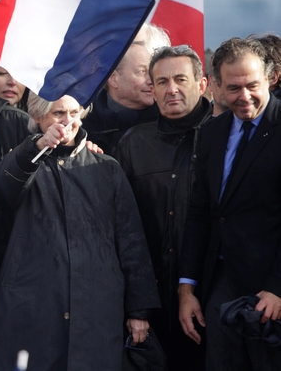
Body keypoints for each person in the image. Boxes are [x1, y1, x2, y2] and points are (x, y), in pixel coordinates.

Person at [0, 92, 159, 370]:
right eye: (58, 113)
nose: (68, 121)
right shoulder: (24, 162)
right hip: (34, 307)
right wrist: (36, 147)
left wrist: (139, 309)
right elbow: (6, 184)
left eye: (74, 113)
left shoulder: (107, 167)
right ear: (38, 119)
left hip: (97, 306)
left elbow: (131, 240)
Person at [178, 37, 281, 370]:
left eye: (252, 85)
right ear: (218, 87)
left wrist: (277, 288)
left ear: (272, 78)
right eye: (233, 88)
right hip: (220, 284)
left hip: (271, 289)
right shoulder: (211, 133)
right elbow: (200, 214)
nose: (244, 96)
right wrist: (188, 287)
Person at [115, 45, 211, 370]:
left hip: (211, 295)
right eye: (162, 82)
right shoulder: (132, 144)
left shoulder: (223, 136)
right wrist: (137, 305)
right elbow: (122, 227)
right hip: (152, 303)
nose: (172, 89)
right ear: (152, 90)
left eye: (181, 79)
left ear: (202, 84)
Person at [83, 24, 171, 155]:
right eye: (142, 71)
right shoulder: (78, 121)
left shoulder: (170, 123)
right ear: (113, 78)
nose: (151, 80)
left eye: (154, 71)